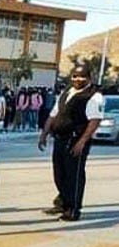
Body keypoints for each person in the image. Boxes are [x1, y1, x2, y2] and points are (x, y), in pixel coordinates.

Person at [39, 65, 104, 222]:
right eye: (75, 76)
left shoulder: (94, 96)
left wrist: (82, 141)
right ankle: (63, 202)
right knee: (59, 173)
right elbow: (54, 114)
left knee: (74, 175)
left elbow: (94, 121)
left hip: (76, 140)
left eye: (82, 76)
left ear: (89, 78)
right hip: (60, 138)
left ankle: (73, 209)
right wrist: (44, 133)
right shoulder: (66, 91)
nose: (77, 79)